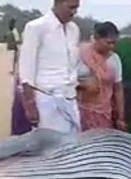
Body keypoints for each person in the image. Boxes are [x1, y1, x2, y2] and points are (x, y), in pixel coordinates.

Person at [19, 0, 82, 134]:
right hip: (46, 99)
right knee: (51, 148)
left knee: (73, 145)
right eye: (70, 7)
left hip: (70, 99)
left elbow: (73, 66)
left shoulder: (74, 30)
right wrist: (30, 105)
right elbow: (26, 70)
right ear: (58, 3)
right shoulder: (36, 27)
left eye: (76, 8)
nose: (74, 12)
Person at [77, 22, 124, 131]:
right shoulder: (80, 54)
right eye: (108, 42)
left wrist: (120, 117)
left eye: (114, 43)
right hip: (79, 109)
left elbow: (118, 89)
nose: (111, 46)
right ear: (97, 38)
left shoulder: (114, 59)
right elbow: (66, 80)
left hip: (103, 112)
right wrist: (83, 85)